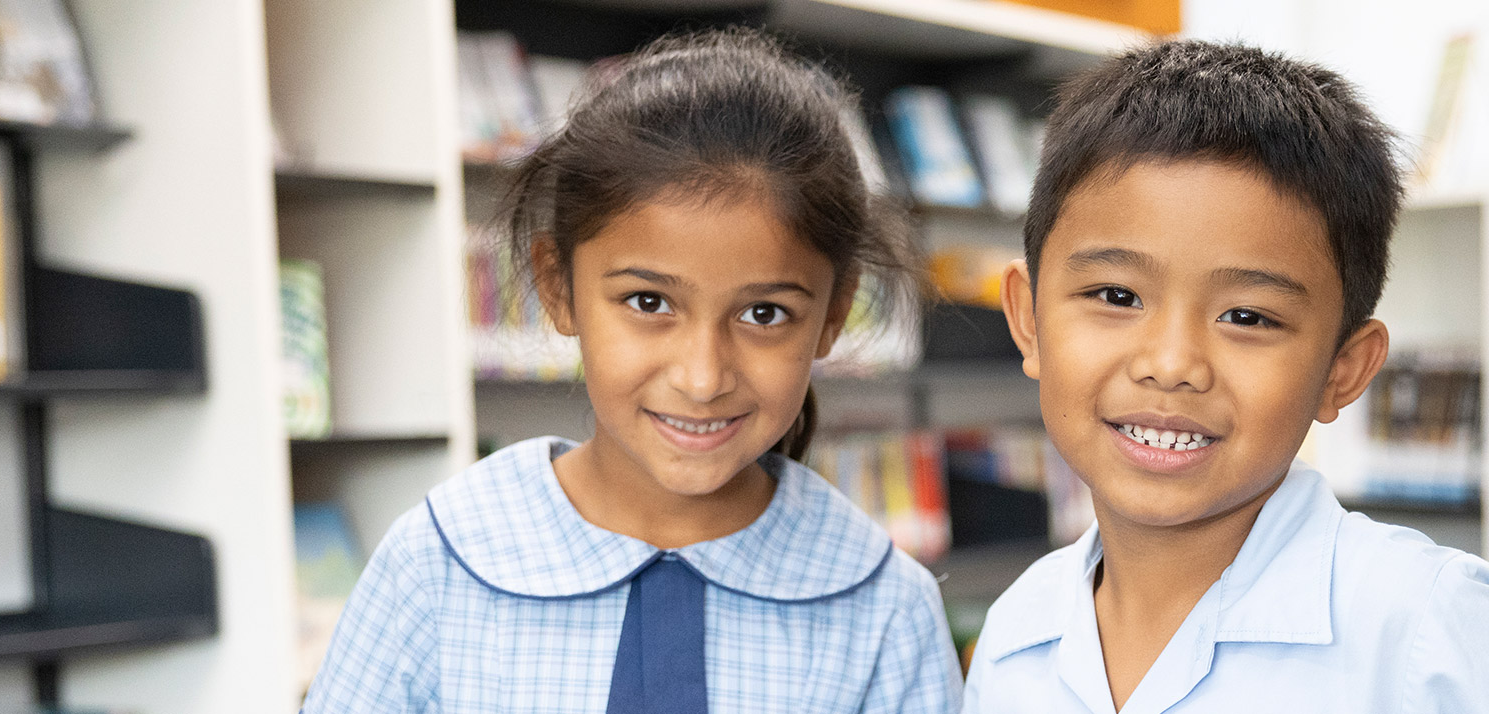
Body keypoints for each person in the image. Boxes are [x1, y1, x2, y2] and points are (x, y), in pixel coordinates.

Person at [301, 28, 961, 713]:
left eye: (764, 314)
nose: (702, 378)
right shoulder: (435, 563)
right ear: (558, 287)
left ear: (834, 314)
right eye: (649, 302)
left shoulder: (885, 608)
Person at [964, 39, 1489, 714]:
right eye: (1117, 296)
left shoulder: (1428, 631)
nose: (1173, 364)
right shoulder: (1014, 637)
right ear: (1029, 318)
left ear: (1344, 368)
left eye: (1246, 316)